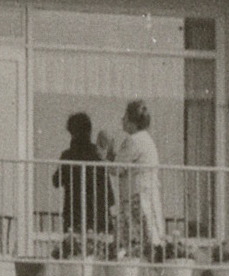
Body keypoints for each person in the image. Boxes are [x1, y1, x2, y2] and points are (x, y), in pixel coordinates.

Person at [111, 98, 166, 258]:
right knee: (149, 235)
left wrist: (104, 159)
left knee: (136, 239)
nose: (122, 120)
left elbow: (117, 168)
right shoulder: (146, 139)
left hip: (136, 197)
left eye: (125, 116)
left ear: (132, 121)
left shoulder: (133, 140)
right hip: (146, 194)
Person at [53, 111, 109, 248]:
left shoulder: (68, 155)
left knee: (74, 249)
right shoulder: (97, 153)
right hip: (97, 211)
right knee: (98, 249)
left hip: (74, 211)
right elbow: (106, 184)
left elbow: (56, 181)